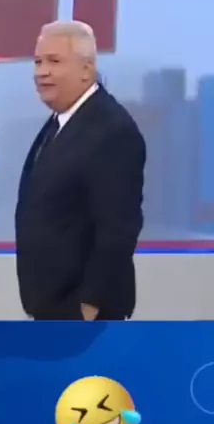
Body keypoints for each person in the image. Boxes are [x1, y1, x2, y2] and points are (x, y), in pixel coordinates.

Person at [15, 21, 146, 322]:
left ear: (86, 70)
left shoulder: (111, 130)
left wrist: (88, 306)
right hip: (52, 306)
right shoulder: (63, 121)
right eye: (38, 62)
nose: (41, 72)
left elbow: (119, 227)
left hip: (82, 315)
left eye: (54, 61)